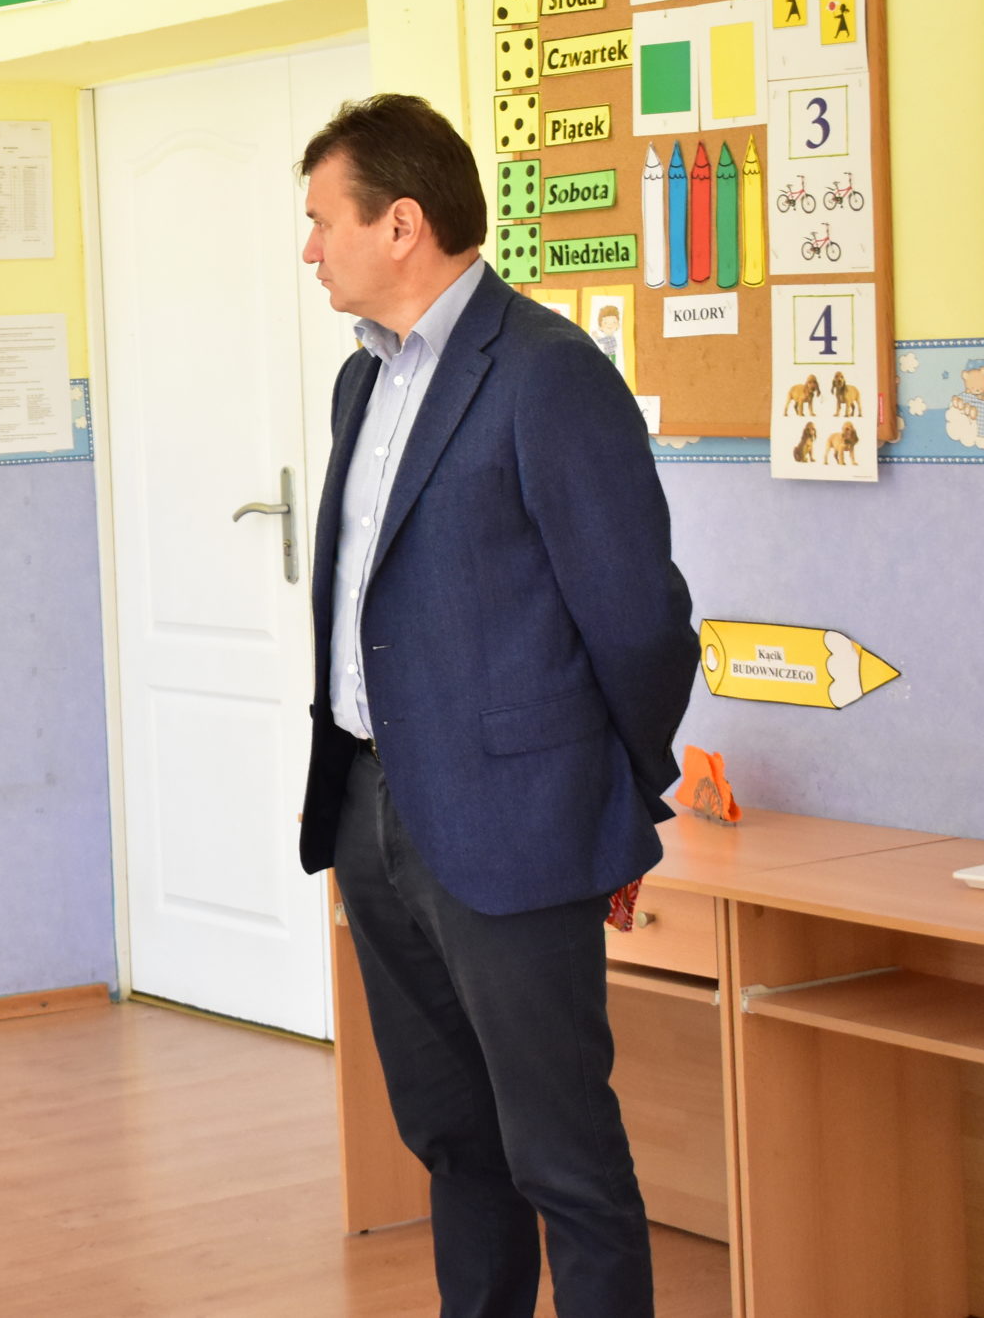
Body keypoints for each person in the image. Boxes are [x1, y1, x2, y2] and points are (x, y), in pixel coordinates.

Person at [294, 94, 694, 1318]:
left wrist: (612, 803)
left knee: (561, 1157)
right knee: (452, 1143)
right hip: (370, 807)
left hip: (517, 825)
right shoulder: (359, 385)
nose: (308, 249)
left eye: (321, 221)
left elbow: (637, 620)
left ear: (400, 224)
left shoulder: (546, 374)